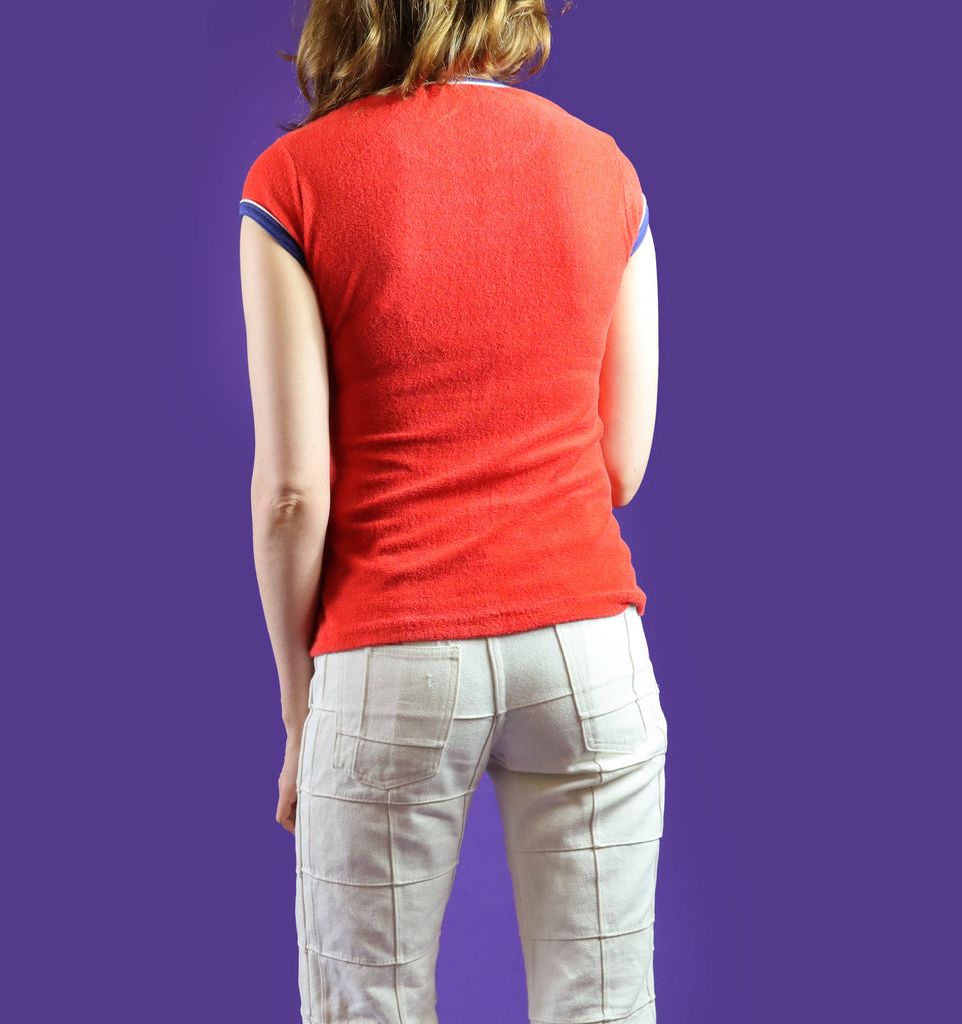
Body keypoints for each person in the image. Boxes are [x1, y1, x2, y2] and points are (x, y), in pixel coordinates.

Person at [237, 3, 666, 1021]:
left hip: (391, 647)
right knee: (602, 1006)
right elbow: (621, 462)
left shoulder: (293, 181)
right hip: (587, 646)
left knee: (368, 1004)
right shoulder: (605, 168)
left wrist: (300, 711)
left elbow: (293, 493)